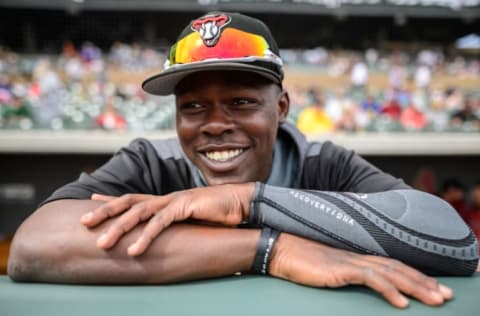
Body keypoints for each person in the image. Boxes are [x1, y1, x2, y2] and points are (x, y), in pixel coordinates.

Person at [7, 12, 478, 310]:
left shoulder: (321, 162)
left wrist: (245, 201)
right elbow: (33, 247)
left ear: (281, 108)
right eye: (193, 107)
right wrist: (270, 249)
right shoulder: (153, 162)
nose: (214, 123)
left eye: (241, 102)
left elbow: (453, 239)